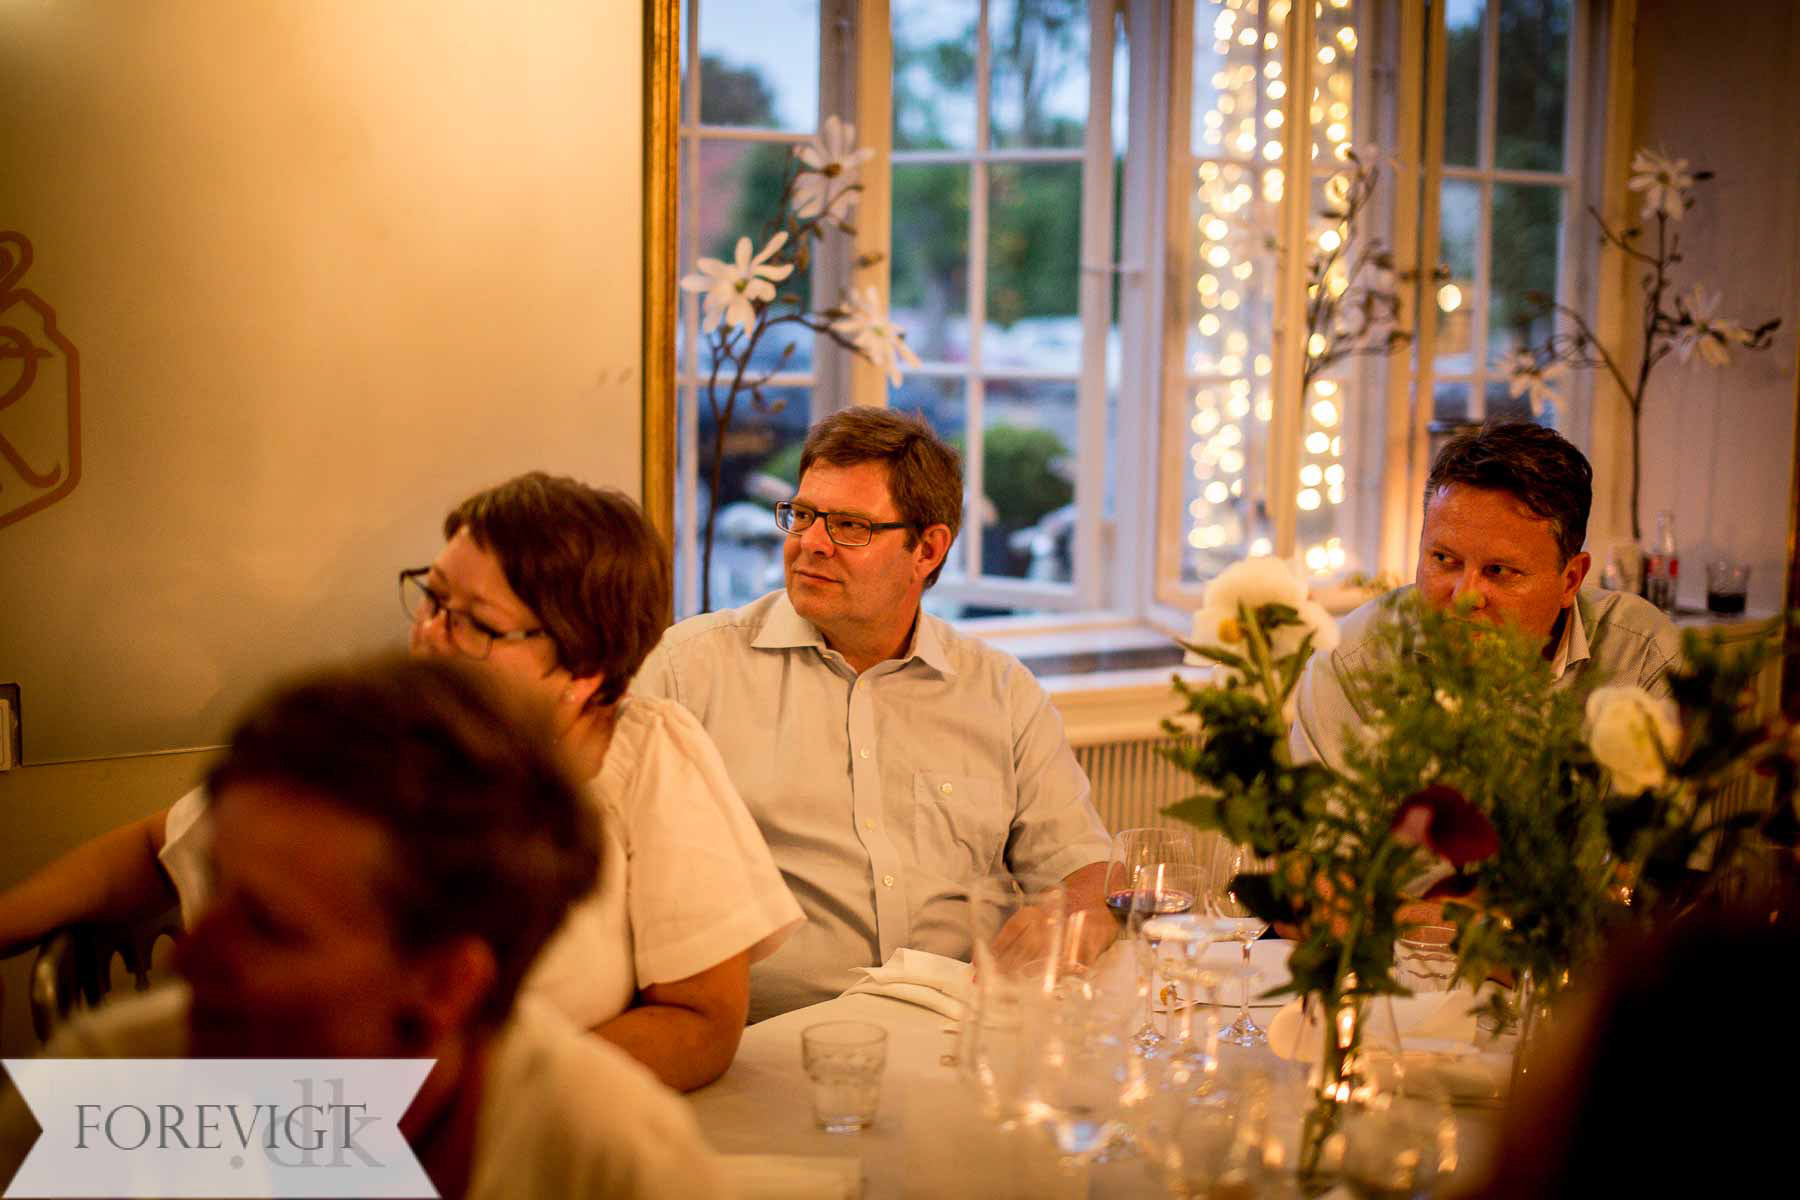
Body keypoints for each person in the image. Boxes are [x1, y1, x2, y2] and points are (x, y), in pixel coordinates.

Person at [0, 473, 802, 1091]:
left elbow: (700, 1019)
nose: (429, 635)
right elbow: (158, 847)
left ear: (584, 669)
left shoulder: (645, 754)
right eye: (432, 597)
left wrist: (477, 1103)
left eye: (474, 623)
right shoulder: (363, 735)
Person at [0, 657, 729, 1200]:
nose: (186, 959)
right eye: (216, 888)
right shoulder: (105, 1100)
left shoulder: (608, 1163)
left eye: (268, 927)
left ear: (445, 984)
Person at [633, 406, 1114, 1020]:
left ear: (928, 549)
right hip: (769, 1039)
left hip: (957, 1028)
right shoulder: (687, 671)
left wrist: (1073, 914)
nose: (810, 543)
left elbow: (1083, 869)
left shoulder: (1002, 692)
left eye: (849, 526)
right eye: (802, 515)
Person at [1289, 422, 1681, 776]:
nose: (1465, 596)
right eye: (1444, 560)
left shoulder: (1641, 659)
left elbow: (1666, 830)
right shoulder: (1352, 664)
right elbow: (1320, 831)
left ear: (1570, 580)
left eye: (1498, 570)